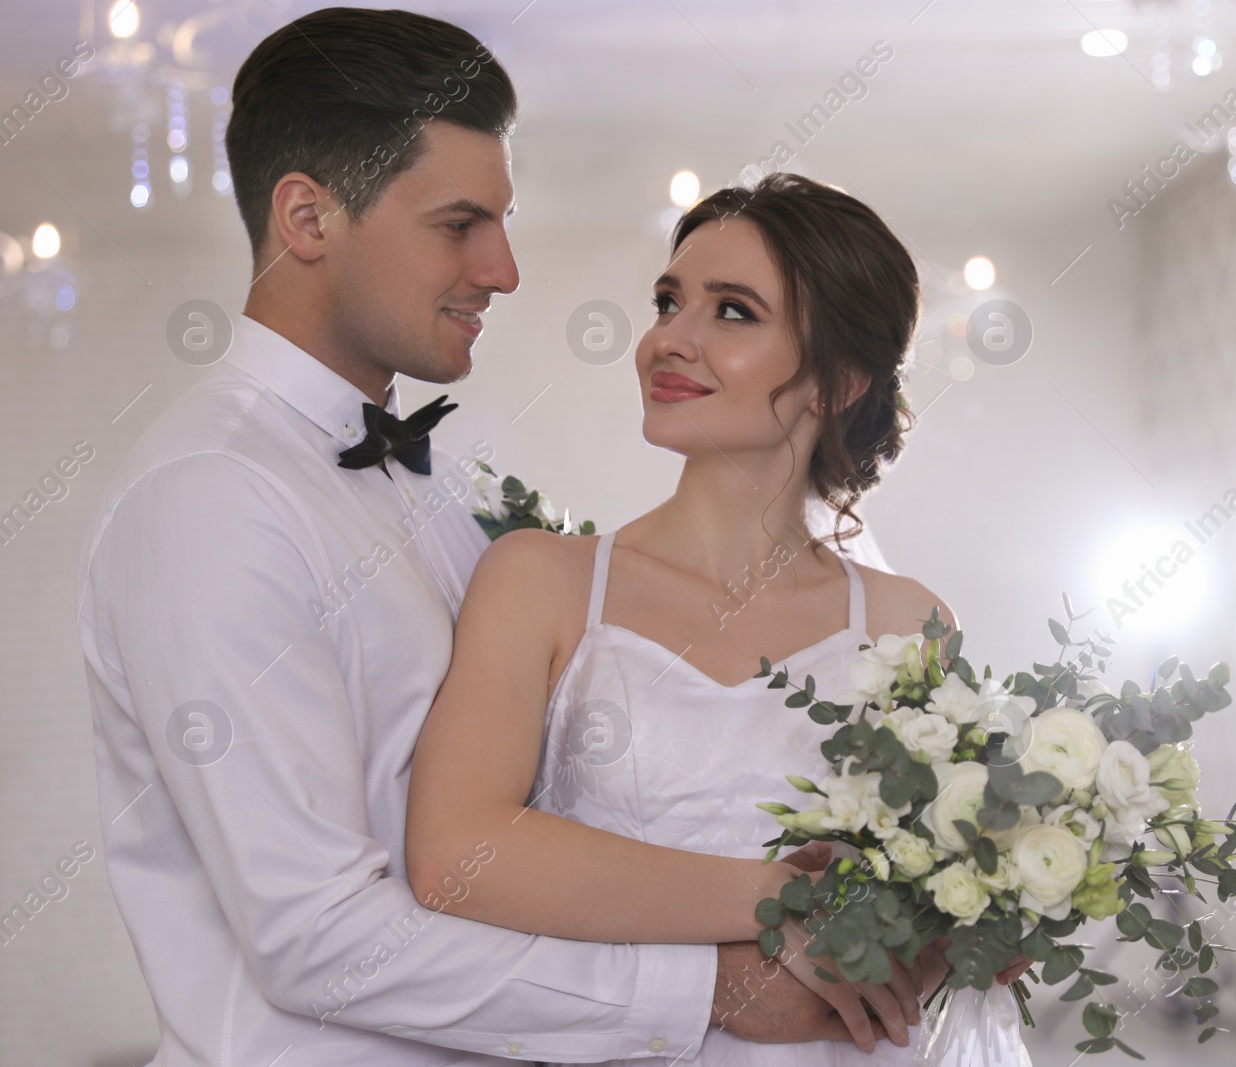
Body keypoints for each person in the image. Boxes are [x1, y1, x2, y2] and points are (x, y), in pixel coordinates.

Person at [75, 10, 900, 1065]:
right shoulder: (207, 500)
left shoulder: (456, 487)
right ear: (308, 219)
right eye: (459, 223)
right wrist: (712, 985)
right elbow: (313, 935)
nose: (503, 269)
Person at [406, 173, 1029, 1065]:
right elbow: (457, 853)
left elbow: (955, 902)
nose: (671, 338)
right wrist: (783, 902)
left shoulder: (908, 621)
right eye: (669, 301)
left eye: (733, 312)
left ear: (837, 379)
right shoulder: (541, 579)